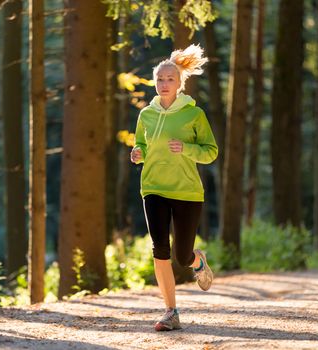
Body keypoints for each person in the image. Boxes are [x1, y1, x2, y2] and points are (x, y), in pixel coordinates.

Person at [130, 44, 218, 331]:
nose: (164, 84)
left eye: (170, 79)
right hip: (153, 187)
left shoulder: (194, 114)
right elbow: (141, 145)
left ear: (180, 84)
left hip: (187, 191)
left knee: (182, 255)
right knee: (160, 249)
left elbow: (210, 152)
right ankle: (170, 311)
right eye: (159, 79)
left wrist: (187, 148)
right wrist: (137, 153)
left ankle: (197, 260)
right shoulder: (146, 115)